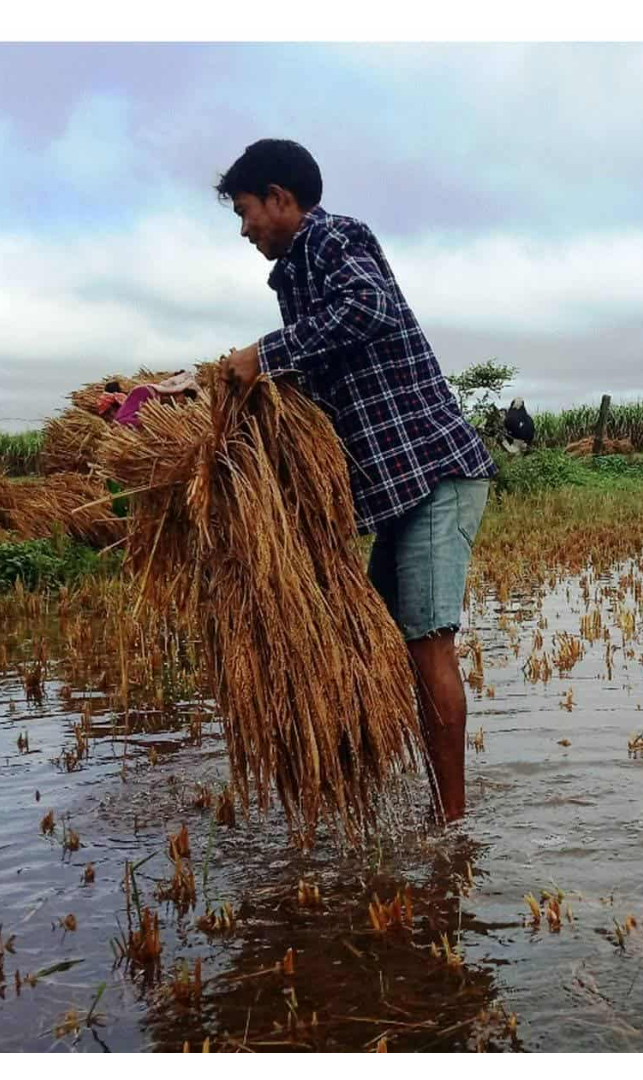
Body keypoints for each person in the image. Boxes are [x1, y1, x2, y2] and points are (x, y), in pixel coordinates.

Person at [212, 139, 495, 823]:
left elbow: (367, 309)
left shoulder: (334, 237)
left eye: (246, 211)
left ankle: (451, 827)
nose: (244, 229)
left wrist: (266, 353)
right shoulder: (295, 278)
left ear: (280, 198)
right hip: (398, 491)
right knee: (379, 640)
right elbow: (314, 366)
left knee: (427, 644)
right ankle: (394, 789)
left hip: (433, 473)